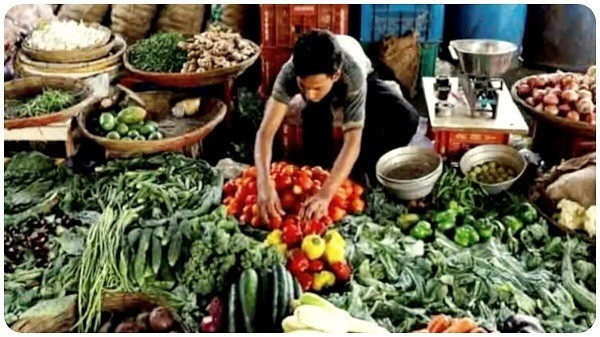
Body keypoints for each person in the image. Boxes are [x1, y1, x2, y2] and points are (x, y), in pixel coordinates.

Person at [254, 29, 419, 224]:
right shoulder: (289, 73)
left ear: (335, 75)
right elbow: (265, 133)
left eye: (316, 88)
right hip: (324, 82)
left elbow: (352, 141)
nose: (309, 94)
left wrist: (326, 196)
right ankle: (319, 175)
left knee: (407, 117)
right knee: (315, 122)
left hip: (364, 78)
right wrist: (263, 183)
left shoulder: (353, 75)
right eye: (303, 86)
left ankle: (364, 169)